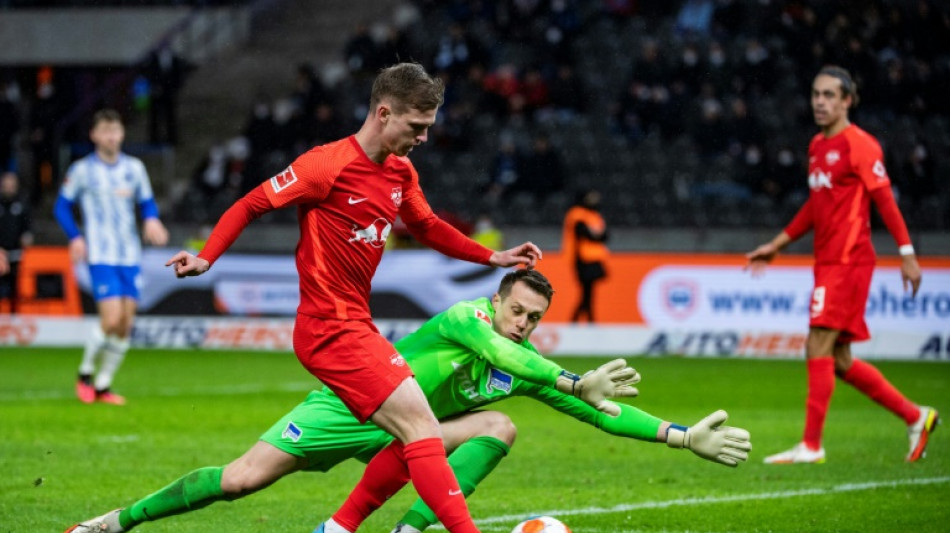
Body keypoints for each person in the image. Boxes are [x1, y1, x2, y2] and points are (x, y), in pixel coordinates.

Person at [161, 63, 638, 533]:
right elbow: (251, 204)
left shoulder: (401, 174)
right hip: (328, 326)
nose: (425, 138)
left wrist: (492, 258)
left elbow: (427, 226)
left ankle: (334, 527)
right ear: (384, 113)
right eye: (418, 126)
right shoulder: (325, 165)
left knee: (256, 474)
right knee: (423, 430)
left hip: (356, 325)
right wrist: (208, 257)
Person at [65, 269, 751, 533]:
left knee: (498, 423)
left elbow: (594, 409)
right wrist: (566, 378)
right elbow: (512, 358)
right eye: (517, 309)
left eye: (534, 318)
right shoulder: (463, 319)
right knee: (241, 479)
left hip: (409, 433)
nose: (523, 323)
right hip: (346, 408)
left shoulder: (522, 358)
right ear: (497, 301)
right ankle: (118, 522)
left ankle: (402, 530)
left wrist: (679, 434)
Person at [745, 66, 938, 464]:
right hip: (828, 260)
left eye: (830, 95)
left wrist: (907, 254)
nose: (820, 101)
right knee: (839, 360)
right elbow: (816, 206)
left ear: (848, 101)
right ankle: (916, 416)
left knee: (816, 343)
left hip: (848, 261)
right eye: (816, 94)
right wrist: (777, 245)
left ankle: (811, 446)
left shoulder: (861, 145)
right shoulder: (816, 145)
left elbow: (885, 200)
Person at [54, 109, 169, 405]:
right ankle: (85, 373)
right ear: (94, 135)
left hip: (129, 255)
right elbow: (61, 206)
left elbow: (147, 203)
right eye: (104, 130)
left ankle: (103, 386)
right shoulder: (82, 170)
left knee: (125, 323)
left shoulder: (134, 168)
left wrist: (152, 219)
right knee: (112, 318)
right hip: (101, 254)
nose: (111, 136)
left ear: (122, 133)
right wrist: (76, 237)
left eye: (115, 130)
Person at [561, 189, 609, 323]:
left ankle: (582, 321)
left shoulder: (594, 215)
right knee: (586, 293)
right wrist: (596, 235)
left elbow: (605, 235)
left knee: (589, 293)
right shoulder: (577, 214)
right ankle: (581, 321)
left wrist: (596, 235)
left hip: (594, 259)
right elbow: (584, 233)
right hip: (582, 259)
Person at [0, 171, 33, 312]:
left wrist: (27, 236)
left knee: (15, 288)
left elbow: (27, 227)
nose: (9, 187)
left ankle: (14, 318)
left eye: (12, 185)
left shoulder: (22, 205)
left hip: (15, 253)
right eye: (6, 184)